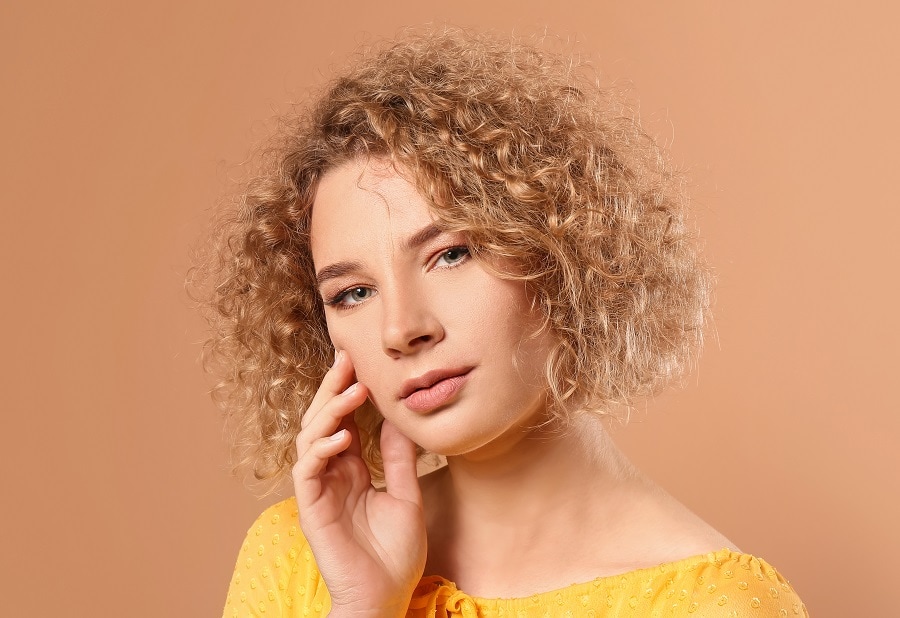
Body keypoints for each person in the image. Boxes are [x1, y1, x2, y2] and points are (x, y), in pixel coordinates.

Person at [202, 28, 808, 617]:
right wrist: (365, 605)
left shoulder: (716, 606)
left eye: (452, 254)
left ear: (559, 252)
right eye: (354, 293)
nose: (401, 329)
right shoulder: (303, 560)